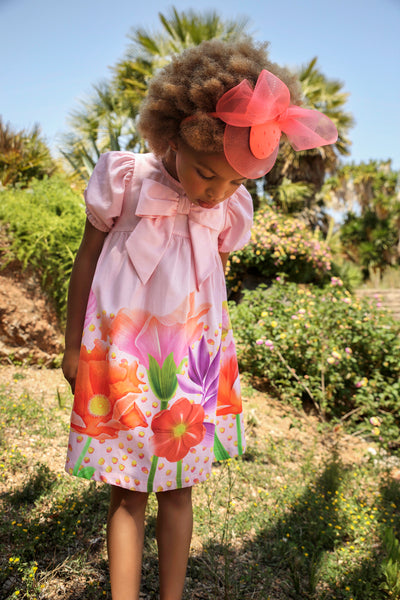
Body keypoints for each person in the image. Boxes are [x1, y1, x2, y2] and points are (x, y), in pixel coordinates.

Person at [62, 38, 337, 600]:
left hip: (190, 361)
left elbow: (212, 282)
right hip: (123, 355)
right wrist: (72, 346)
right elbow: (87, 257)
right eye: (208, 173)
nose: (218, 192)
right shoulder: (127, 178)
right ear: (174, 134)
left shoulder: (231, 208)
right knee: (126, 488)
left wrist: (216, 360)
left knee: (181, 487)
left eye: (236, 181)